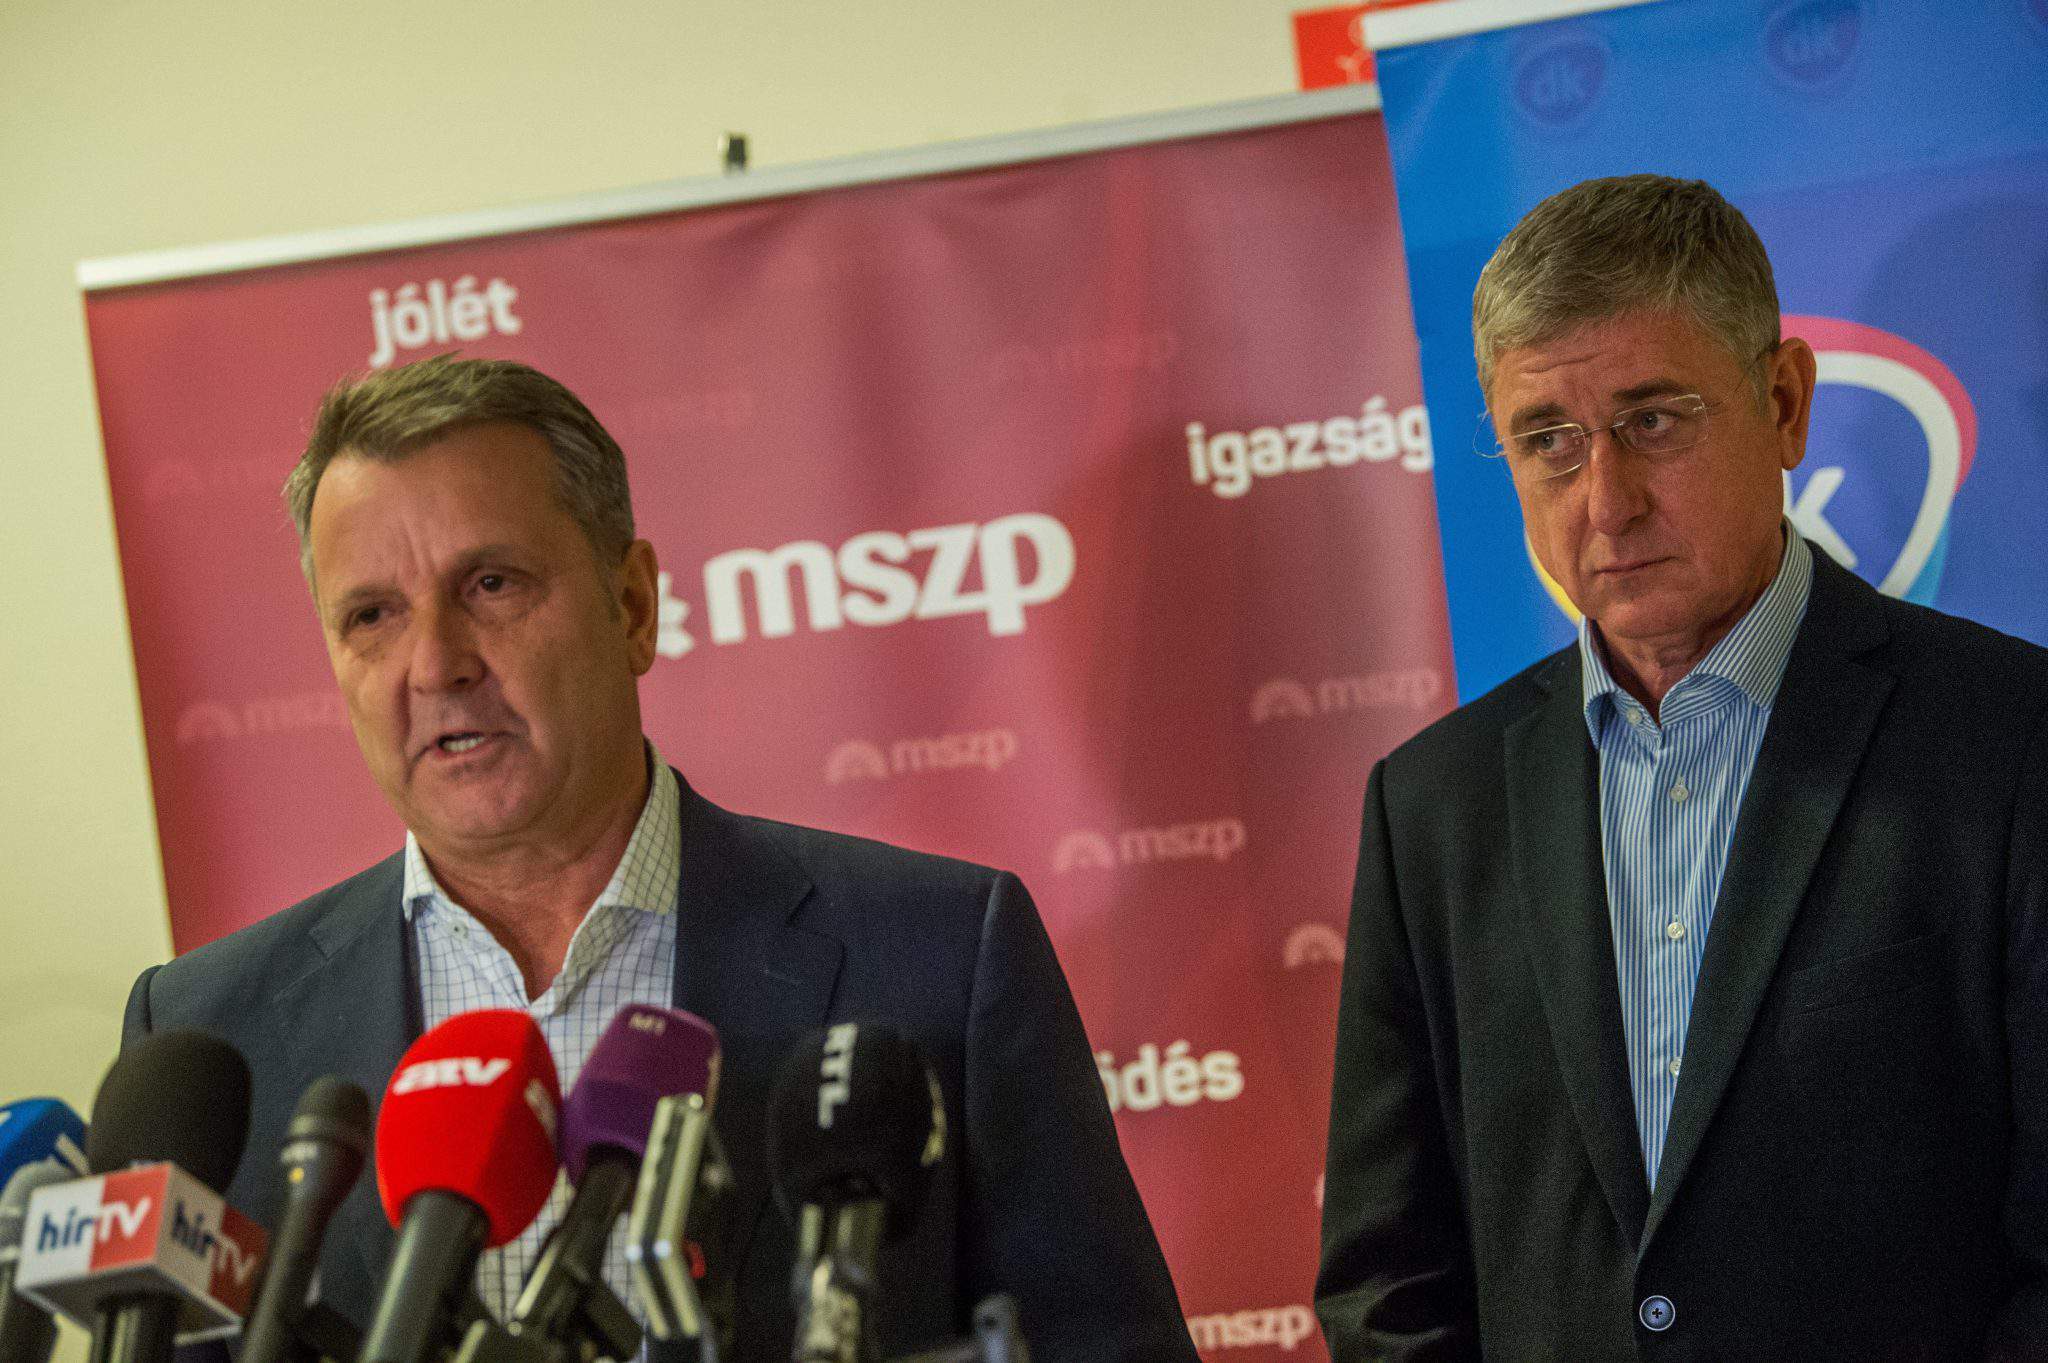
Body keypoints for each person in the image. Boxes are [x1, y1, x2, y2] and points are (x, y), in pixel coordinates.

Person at [122, 355, 1197, 1363]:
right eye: (372, 615)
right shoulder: (210, 1038)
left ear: (632, 605)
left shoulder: (939, 955)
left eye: (491, 583)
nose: (436, 662)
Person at [1315, 175, 2048, 1360]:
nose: (1605, 501)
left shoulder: (2009, 738)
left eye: (1652, 420)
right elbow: (1386, 1281)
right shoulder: (1431, 807)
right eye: (1547, 442)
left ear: (1783, 402)